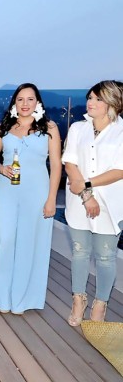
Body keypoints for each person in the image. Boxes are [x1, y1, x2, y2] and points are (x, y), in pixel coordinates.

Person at [0, 83, 61, 314]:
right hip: (6, 191)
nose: (25, 104)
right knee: (5, 239)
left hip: (37, 192)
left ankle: (22, 299)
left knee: (28, 243)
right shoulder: (4, 127)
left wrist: (51, 199)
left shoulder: (50, 128)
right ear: (14, 103)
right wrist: (1, 168)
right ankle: (0, 295)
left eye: (30, 99)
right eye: (20, 99)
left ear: (38, 102)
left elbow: (56, 165)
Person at [63, 80, 123, 326]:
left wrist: (87, 185)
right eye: (90, 97)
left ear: (112, 102)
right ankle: (79, 299)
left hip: (110, 203)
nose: (91, 102)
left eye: (98, 98)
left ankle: (100, 303)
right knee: (79, 252)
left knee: (106, 257)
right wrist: (87, 196)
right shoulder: (78, 128)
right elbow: (70, 162)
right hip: (79, 202)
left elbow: (120, 170)